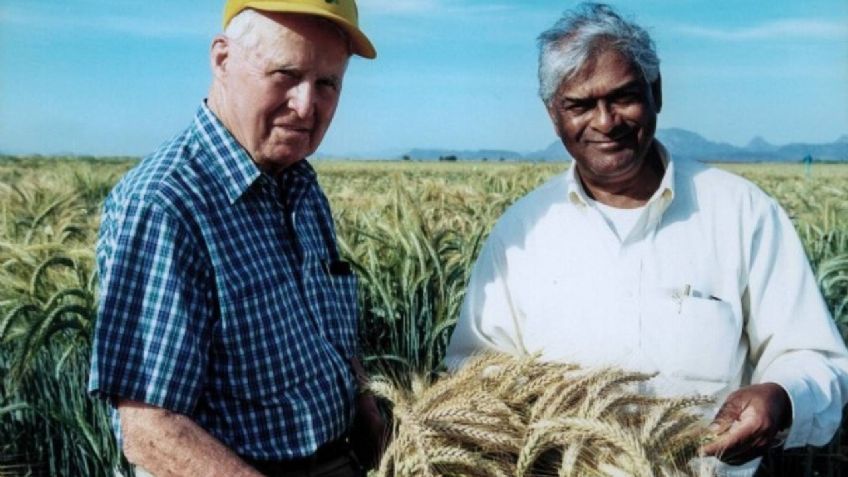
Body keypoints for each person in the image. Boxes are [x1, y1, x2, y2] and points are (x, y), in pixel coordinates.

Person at [445, 3, 848, 475]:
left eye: (623, 97)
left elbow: (815, 356)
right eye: (580, 105)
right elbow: (475, 375)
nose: (606, 121)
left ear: (656, 92)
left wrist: (780, 397)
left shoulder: (741, 212)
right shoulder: (521, 232)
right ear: (553, 114)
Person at [88, 1, 383, 476]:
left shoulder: (300, 186)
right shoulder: (166, 203)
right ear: (223, 60)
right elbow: (150, 427)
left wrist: (384, 440)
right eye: (286, 74)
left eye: (327, 83)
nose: (307, 106)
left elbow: (335, 348)